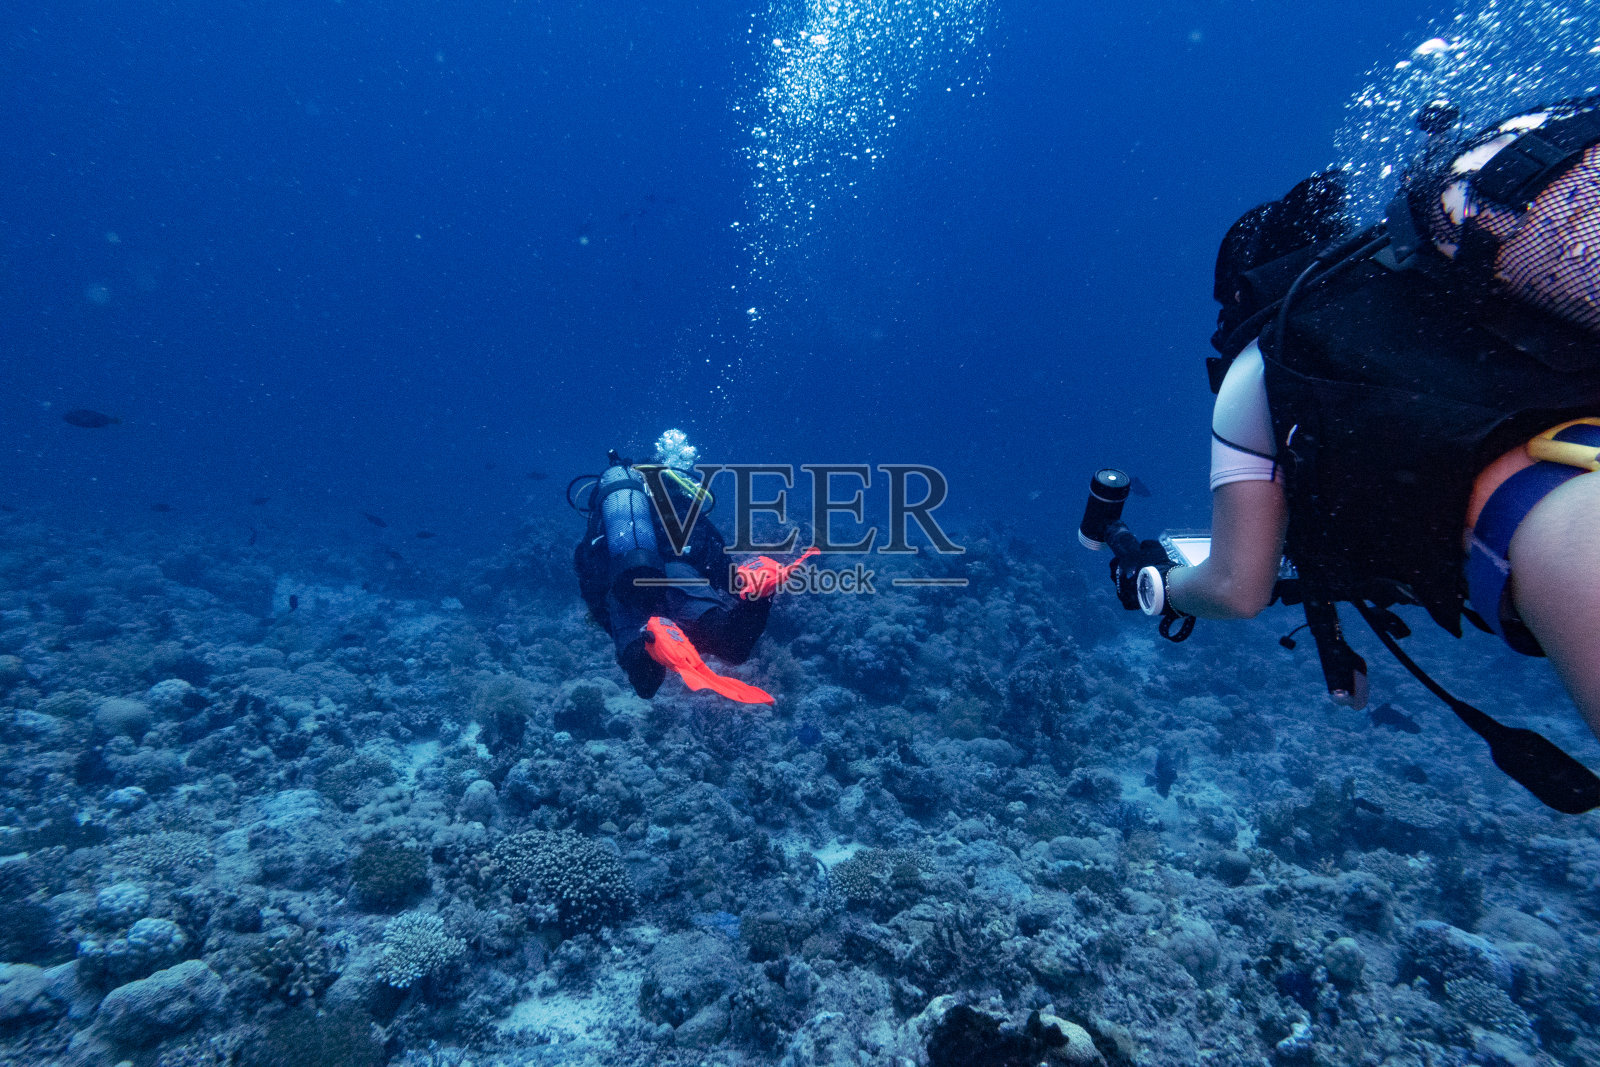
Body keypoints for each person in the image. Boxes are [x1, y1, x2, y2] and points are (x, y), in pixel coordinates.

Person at [1155, 98, 1600, 741]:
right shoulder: (1441, 284)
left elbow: (1234, 587)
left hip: (1549, 513)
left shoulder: (1268, 359)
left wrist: (1161, 583)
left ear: (1245, 290)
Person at [572, 433, 808, 703]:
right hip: (680, 577)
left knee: (646, 685)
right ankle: (762, 589)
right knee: (734, 646)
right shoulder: (681, 507)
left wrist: (612, 622)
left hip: (622, 587)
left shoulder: (608, 523)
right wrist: (742, 589)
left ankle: (653, 638)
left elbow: (588, 573)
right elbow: (711, 552)